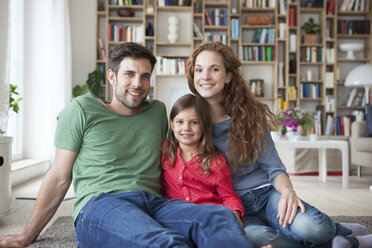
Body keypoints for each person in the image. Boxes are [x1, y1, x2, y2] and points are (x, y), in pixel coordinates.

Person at [0, 42, 255, 248]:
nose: (138, 84)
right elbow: (58, 177)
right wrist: (26, 236)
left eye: (145, 76)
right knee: (164, 242)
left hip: (153, 203)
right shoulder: (81, 110)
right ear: (111, 76)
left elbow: (185, 149)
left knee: (218, 218)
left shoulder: (158, 111)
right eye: (129, 74)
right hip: (102, 205)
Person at [186, 41, 372, 248]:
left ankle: (333, 231)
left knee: (312, 228)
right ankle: (349, 240)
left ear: (228, 76)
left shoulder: (248, 116)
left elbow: (273, 167)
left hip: (265, 194)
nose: (205, 76)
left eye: (214, 69)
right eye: (199, 69)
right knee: (252, 238)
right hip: (232, 206)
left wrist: (287, 192)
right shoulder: (188, 121)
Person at [161, 94, 245, 226]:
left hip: (210, 215)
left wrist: (235, 221)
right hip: (176, 217)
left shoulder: (214, 160)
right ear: (171, 124)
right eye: (180, 122)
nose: (186, 128)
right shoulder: (165, 151)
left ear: (204, 125)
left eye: (194, 122)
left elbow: (228, 196)